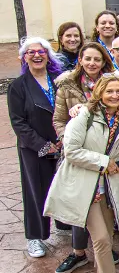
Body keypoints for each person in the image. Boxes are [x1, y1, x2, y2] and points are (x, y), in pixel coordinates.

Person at [44, 75, 119, 273]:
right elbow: (72, 151)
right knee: (101, 238)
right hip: (86, 187)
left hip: (110, 188)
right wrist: (103, 161)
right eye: (109, 91)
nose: (114, 95)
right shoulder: (85, 116)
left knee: (109, 235)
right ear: (99, 92)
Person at [52, 41, 117, 273]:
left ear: (104, 62)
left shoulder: (111, 83)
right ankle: (78, 252)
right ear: (80, 60)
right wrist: (70, 136)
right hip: (80, 152)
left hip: (106, 153)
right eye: (87, 58)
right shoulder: (67, 85)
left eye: (97, 59)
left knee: (104, 205)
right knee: (80, 203)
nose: (92, 63)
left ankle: (105, 247)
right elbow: (59, 119)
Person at [9, 38, 63, 258]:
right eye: (30, 52)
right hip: (34, 148)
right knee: (36, 191)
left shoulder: (58, 82)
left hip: (61, 144)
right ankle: (35, 237)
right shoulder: (18, 86)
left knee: (61, 186)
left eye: (41, 51)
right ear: (24, 58)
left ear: (48, 56)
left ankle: (65, 224)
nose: (37, 55)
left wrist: (63, 139)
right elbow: (18, 122)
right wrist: (43, 146)